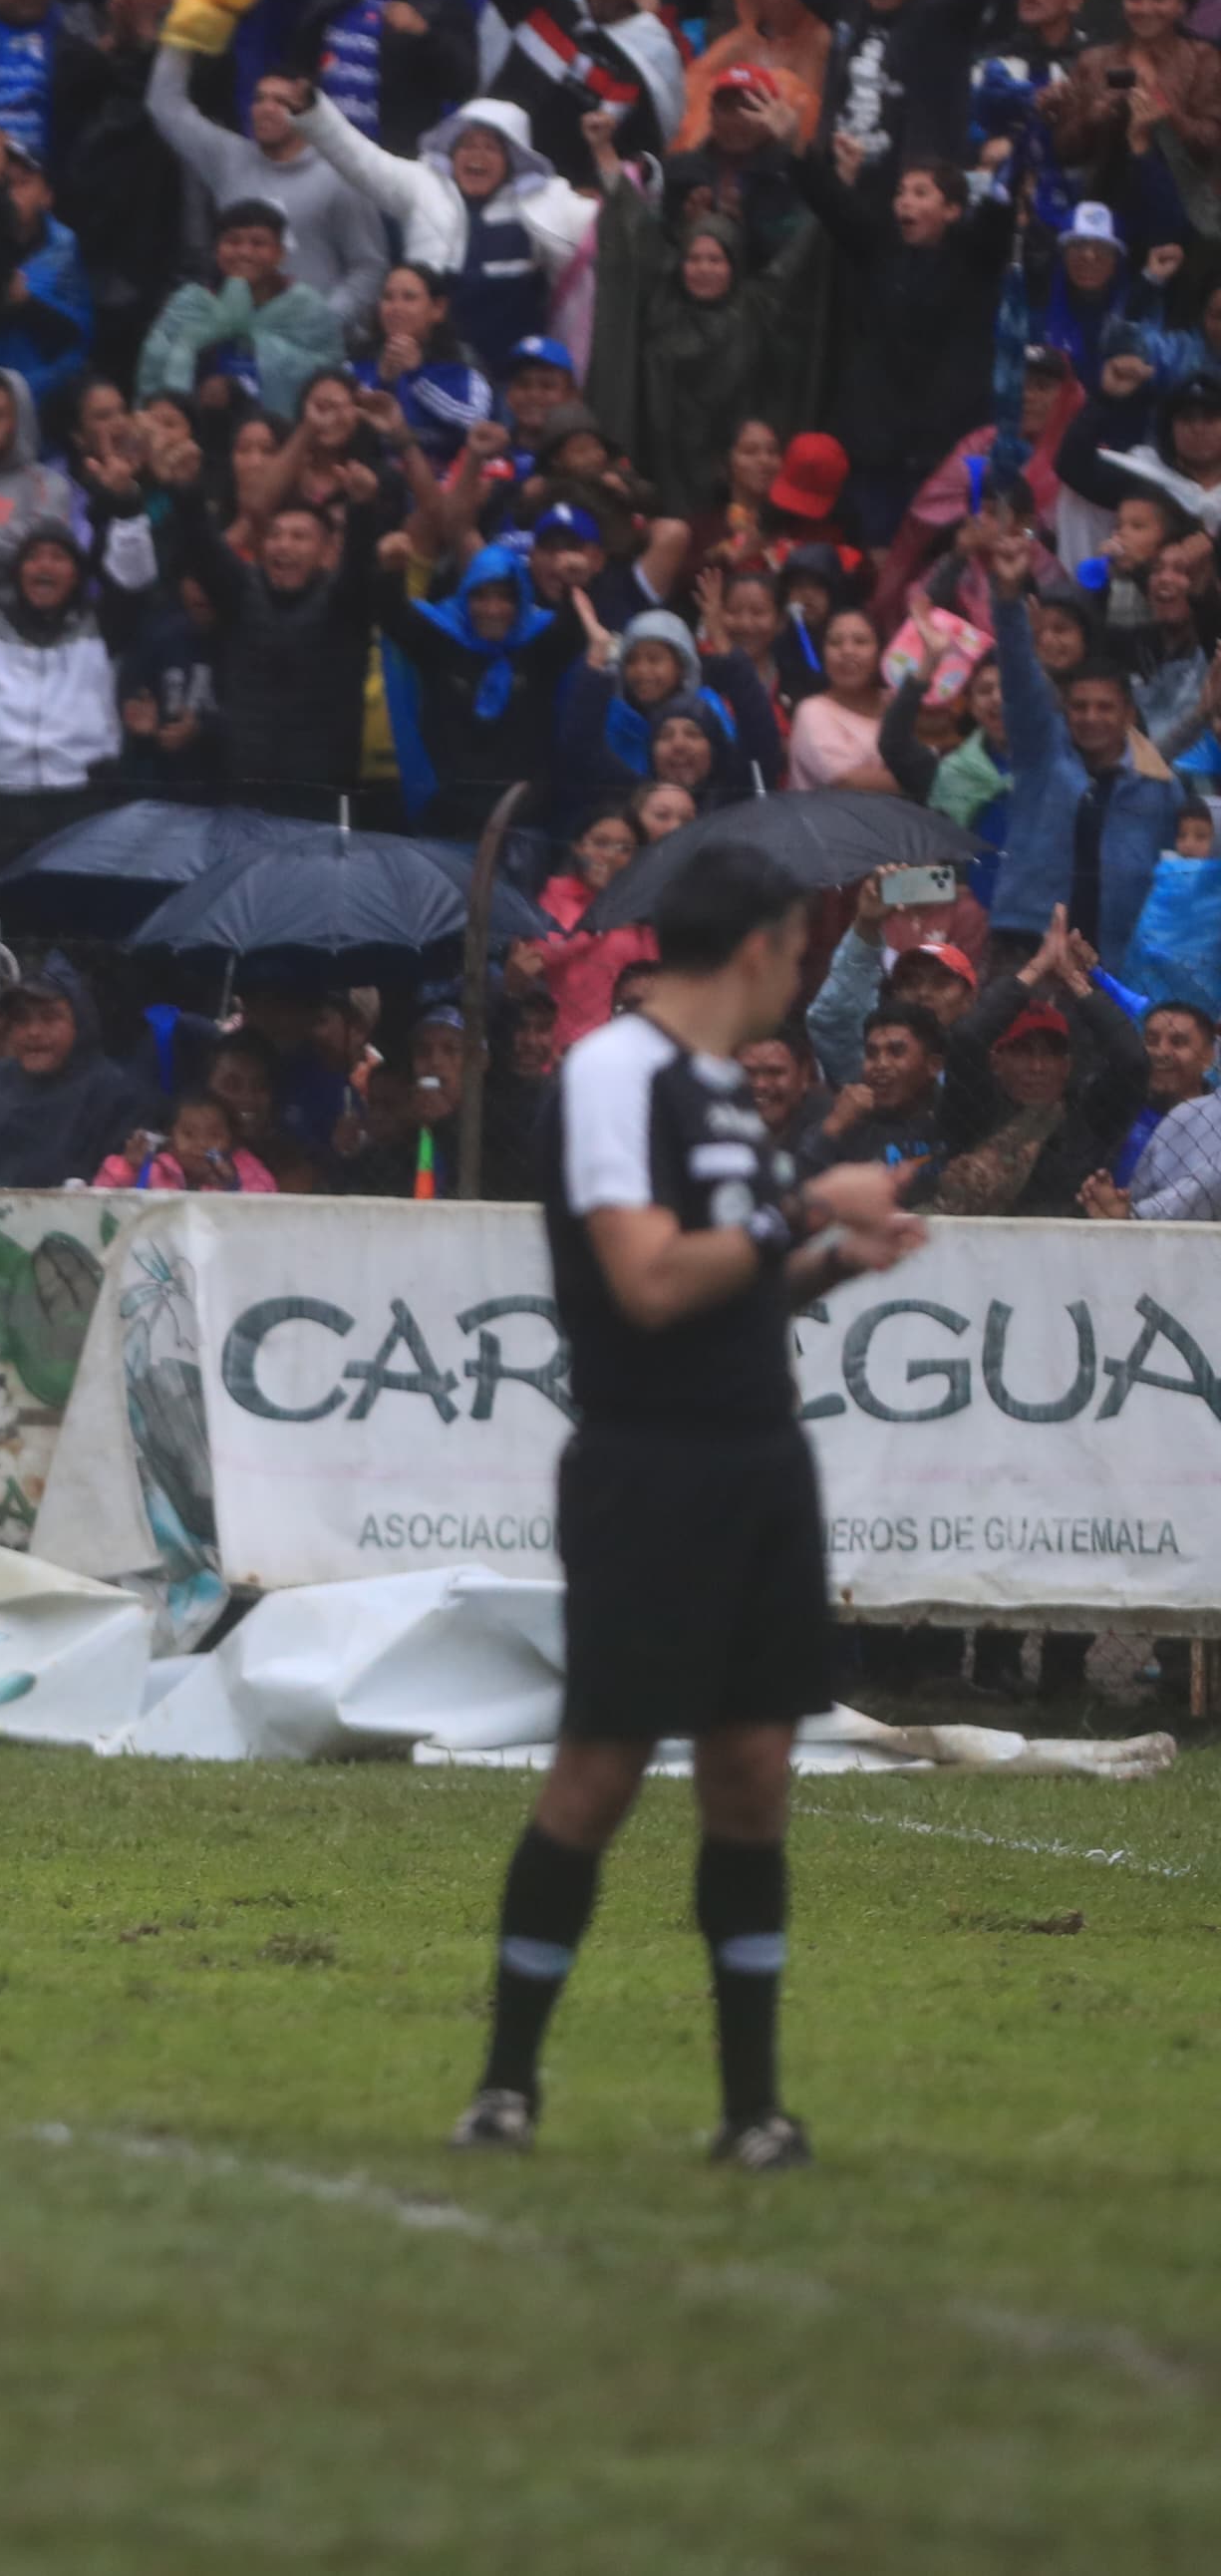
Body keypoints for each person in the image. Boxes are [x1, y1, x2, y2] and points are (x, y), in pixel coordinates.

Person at [460, 839, 928, 2170]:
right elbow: (650, 1280)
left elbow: (734, 1284)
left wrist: (837, 1255)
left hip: (757, 1454)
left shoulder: (723, 1092)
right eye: (799, 940)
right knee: (601, 1769)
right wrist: (804, 1206)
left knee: (754, 1772)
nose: (804, 963)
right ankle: (505, 2087)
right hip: (649, 1463)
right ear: (759, 947)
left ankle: (752, 2110)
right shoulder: (618, 1073)